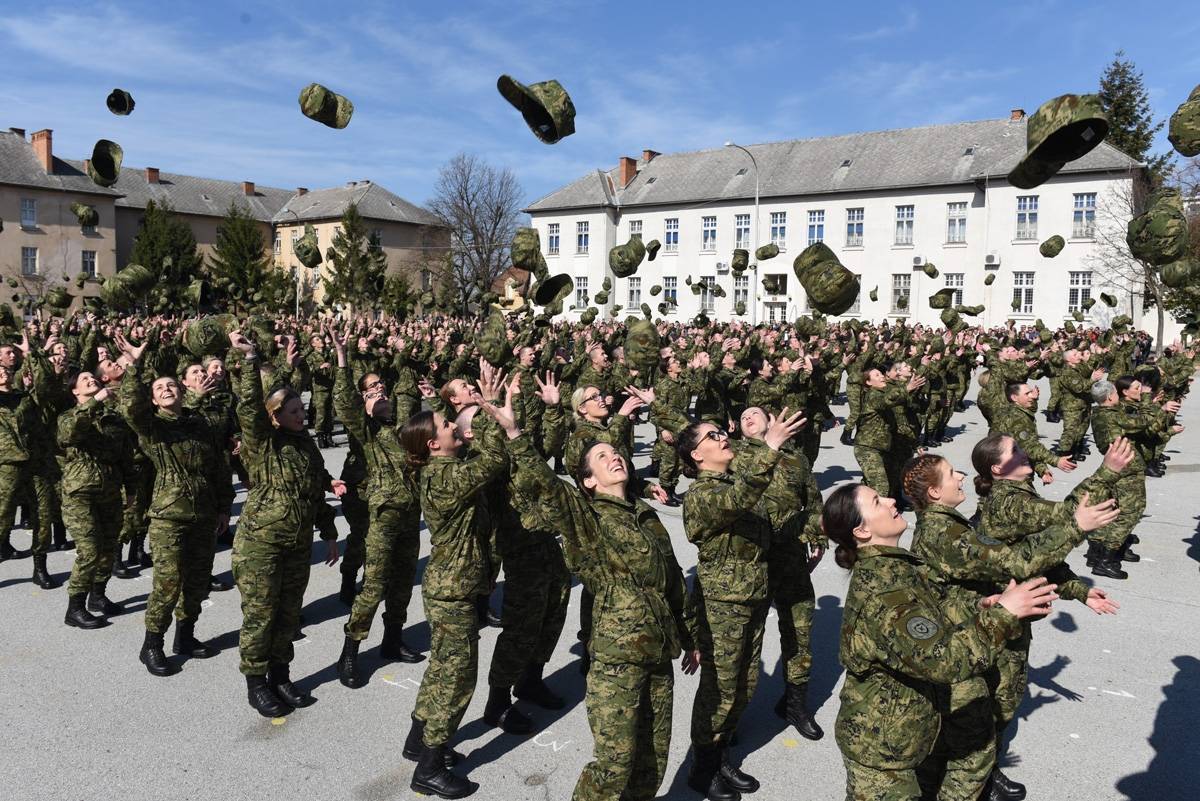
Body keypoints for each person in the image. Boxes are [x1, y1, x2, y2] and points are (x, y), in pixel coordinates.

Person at [500, 388, 699, 801]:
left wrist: (690, 636)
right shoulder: (587, 519)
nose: (615, 457)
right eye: (602, 457)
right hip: (617, 659)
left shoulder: (645, 515)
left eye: (617, 452)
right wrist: (517, 435)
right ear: (588, 479)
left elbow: (673, 581)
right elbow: (549, 488)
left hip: (660, 652)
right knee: (613, 765)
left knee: (652, 760)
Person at [903, 448, 1126, 801]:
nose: (960, 477)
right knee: (967, 747)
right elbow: (1019, 561)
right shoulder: (944, 534)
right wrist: (1076, 525)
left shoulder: (951, 525)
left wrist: (1076, 590)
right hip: (967, 645)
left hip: (983, 627)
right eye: (950, 474)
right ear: (933, 492)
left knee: (989, 718)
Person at [822, 481, 1059, 801]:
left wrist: (984, 611)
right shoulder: (885, 591)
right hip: (881, 756)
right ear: (862, 531)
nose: (892, 501)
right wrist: (1003, 615)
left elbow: (931, 625)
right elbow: (943, 661)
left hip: (906, 737)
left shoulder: (895, 567)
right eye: (878, 502)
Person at [972, 432, 1127, 794]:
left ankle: (982, 767)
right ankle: (978, 776)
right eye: (1016, 451)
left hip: (1014, 612)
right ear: (998, 468)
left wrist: (1081, 592)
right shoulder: (1008, 502)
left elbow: (1038, 557)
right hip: (999, 616)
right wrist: (1105, 472)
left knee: (1004, 696)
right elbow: (1067, 515)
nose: (1025, 452)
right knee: (997, 698)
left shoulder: (1019, 495)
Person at [676, 409, 805, 800]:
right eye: (712, 436)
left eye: (721, 432)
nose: (722, 438)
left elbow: (777, 506)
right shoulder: (703, 494)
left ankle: (718, 753)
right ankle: (702, 767)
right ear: (696, 456)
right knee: (720, 688)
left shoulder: (735, 482)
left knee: (744, 684)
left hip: (753, 594)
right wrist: (769, 447)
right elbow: (737, 497)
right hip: (722, 604)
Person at [399, 368, 512, 799]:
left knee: (443, 668)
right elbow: (496, 458)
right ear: (433, 445)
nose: (454, 426)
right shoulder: (444, 476)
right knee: (458, 676)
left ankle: (418, 739)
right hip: (453, 589)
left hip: (453, 585)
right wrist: (485, 407)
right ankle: (429, 766)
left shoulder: (444, 467)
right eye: (448, 426)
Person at [228, 331, 343, 717]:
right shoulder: (263, 444)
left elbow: (314, 491)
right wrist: (249, 362)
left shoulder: (305, 444)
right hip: (261, 544)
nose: (301, 415)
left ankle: (281, 675)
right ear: (274, 417)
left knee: (288, 614)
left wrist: (328, 533)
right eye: (293, 412)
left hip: (296, 544)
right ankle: (256, 682)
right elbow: (248, 408)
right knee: (261, 615)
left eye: (302, 410)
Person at [114, 330, 233, 676]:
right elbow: (132, 409)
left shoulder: (201, 425)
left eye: (171, 386)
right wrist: (136, 369)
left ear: (184, 392)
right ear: (153, 399)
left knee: (197, 581)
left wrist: (224, 507)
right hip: (169, 516)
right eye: (160, 388)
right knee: (168, 583)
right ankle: (152, 644)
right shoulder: (154, 428)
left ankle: (186, 636)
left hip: (204, 513)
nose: (167, 390)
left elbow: (219, 470)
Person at [329, 324, 425, 689]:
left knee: (402, 582)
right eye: (372, 391)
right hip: (382, 517)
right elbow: (344, 405)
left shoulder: (403, 428)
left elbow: (408, 390)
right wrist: (341, 360)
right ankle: (350, 650)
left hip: (408, 517)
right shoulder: (366, 433)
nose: (380, 392)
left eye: (381, 387)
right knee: (374, 585)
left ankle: (393, 638)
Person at [734, 405, 825, 741]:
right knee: (745, 641)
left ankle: (795, 703)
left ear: (772, 421)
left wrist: (819, 541)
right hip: (750, 562)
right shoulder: (732, 455)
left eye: (755, 413)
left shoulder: (796, 459)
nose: (748, 417)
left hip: (789, 557)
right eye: (743, 416)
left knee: (799, 632)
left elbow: (814, 504)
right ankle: (730, 717)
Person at [58, 368, 137, 628]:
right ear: (74, 391)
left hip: (111, 489)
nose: (91, 379)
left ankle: (98, 596)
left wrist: (131, 488)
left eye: (93, 377)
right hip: (80, 491)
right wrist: (96, 401)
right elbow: (70, 434)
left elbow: (125, 454)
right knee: (90, 550)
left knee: (109, 547)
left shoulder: (113, 419)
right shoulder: (68, 416)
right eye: (84, 379)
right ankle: (75, 607)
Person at [1089, 377, 1182, 575]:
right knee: (1130, 512)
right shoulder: (1112, 415)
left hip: (1122, 465)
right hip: (1126, 467)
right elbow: (1140, 423)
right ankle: (1105, 560)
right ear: (1110, 397)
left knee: (1118, 508)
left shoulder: (1103, 412)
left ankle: (1105, 553)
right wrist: (1162, 409)